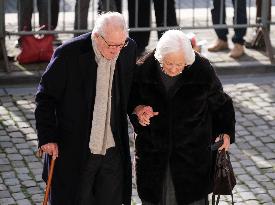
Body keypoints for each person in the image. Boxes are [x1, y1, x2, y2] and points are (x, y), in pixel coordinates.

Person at [35, 12, 137, 205]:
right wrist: (47, 137)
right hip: (76, 149)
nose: (116, 50)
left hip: (112, 150)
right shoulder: (69, 54)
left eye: (120, 44)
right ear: (97, 36)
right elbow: (45, 97)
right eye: (111, 45)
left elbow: (129, 90)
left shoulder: (128, 48)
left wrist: (138, 107)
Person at [128, 30, 235, 205]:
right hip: (153, 159)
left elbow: (222, 104)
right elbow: (130, 101)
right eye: (169, 63)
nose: (174, 69)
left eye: (180, 64)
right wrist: (138, 111)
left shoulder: (201, 69)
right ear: (159, 57)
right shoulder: (143, 70)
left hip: (192, 161)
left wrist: (225, 132)